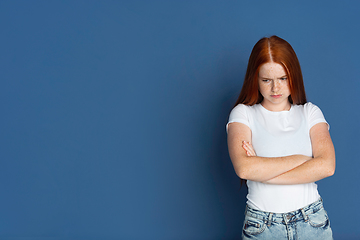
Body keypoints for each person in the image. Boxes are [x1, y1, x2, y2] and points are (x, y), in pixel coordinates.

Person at [226, 35, 335, 240]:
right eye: (266, 80)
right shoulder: (243, 114)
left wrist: (264, 171)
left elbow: (327, 166)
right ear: (255, 79)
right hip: (262, 225)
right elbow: (244, 168)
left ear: (294, 75)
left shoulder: (310, 112)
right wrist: (302, 160)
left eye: (283, 79)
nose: (275, 88)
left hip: (311, 221)